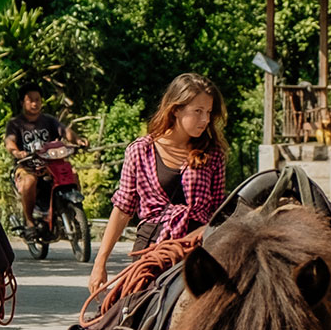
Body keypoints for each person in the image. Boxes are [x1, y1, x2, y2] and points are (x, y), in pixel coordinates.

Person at [87, 72, 228, 296]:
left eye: (209, 112)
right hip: (152, 247)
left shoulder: (214, 153)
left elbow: (219, 211)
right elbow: (123, 208)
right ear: (176, 110)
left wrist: (199, 235)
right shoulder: (140, 150)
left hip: (199, 249)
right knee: (123, 312)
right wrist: (99, 263)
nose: (206, 120)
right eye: (198, 111)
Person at [3, 84, 80, 233]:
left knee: (73, 174)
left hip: (50, 166)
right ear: (22, 102)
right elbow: (9, 141)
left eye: (37, 100)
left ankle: (74, 215)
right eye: (30, 100)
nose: (34, 103)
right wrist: (17, 152)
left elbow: (65, 131)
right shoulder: (15, 124)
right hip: (26, 167)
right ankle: (29, 221)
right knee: (29, 181)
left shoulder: (49, 121)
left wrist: (78, 140)